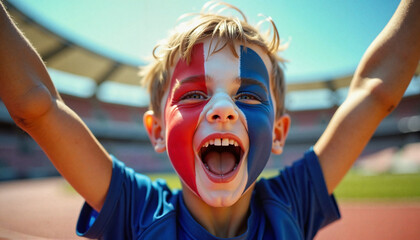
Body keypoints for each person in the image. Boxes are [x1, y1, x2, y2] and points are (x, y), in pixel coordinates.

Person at [0, 0, 419, 239]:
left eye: (249, 95)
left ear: (277, 133)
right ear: (158, 131)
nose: (223, 110)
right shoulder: (136, 211)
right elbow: (35, 106)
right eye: (195, 94)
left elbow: (376, 92)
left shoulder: (290, 205)